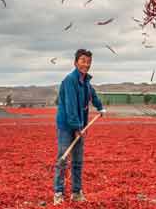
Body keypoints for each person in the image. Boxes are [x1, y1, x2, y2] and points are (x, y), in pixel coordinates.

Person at [53, 49, 106, 205]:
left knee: (77, 161)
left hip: (79, 126)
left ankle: (76, 192)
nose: (86, 64)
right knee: (63, 159)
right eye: (83, 61)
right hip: (66, 126)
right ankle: (58, 192)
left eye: (89, 61)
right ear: (76, 62)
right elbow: (71, 107)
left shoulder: (86, 82)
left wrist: (100, 107)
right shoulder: (70, 80)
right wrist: (76, 128)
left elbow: (93, 96)